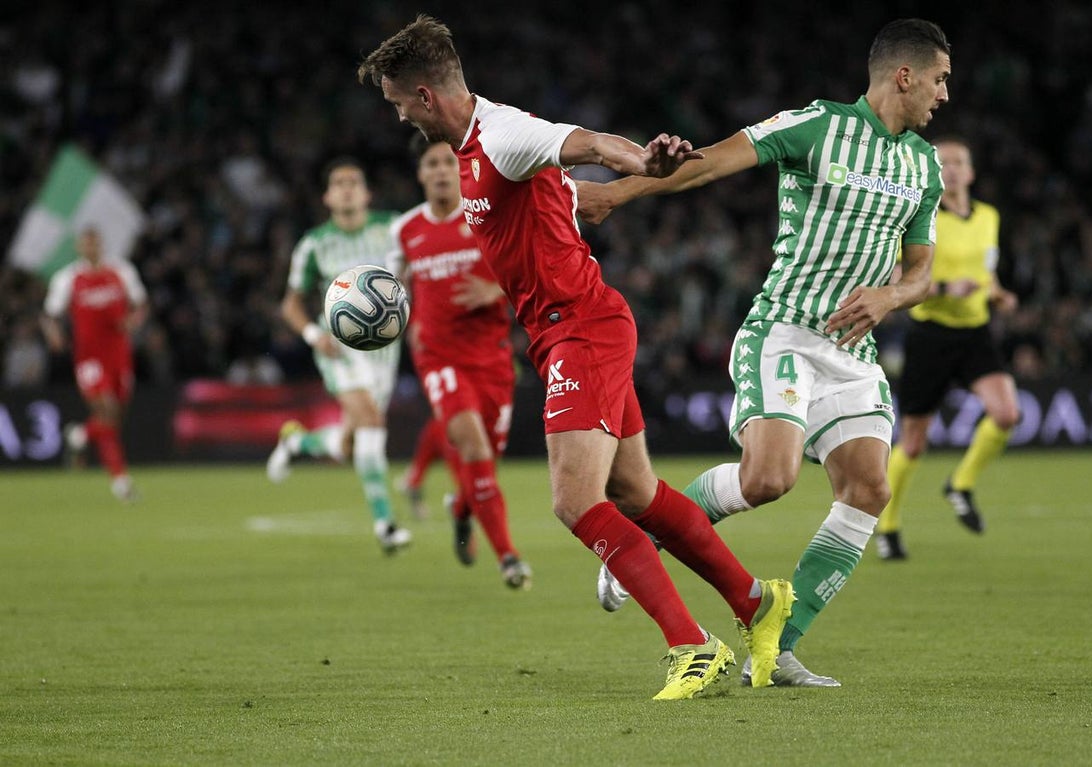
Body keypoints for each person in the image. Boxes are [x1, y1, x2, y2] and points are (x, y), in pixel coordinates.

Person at [358, 14, 794, 700]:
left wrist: (640, 160)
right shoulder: (478, 153)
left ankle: (691, 644)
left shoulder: (502, 134)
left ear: (424, 95)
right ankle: (756, 602)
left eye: (396, 104)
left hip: (581, 329)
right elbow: (581, 197)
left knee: (572, 498)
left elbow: (587, 142)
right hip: (575, 329)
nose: (397, 118)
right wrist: (611, 192)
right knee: (637, 494)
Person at [578, 18, 951, 687]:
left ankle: (776, 648)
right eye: (940, 79)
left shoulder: (923, 165)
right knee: (768, 479)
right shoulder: (817, 126)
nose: (944, 95)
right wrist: (613, 193)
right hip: (784, 331)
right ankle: (646, 537)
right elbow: (711, 162)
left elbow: (922, 271)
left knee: (868, 488)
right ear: (906, 75)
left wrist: (891, 298)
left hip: (854, 349)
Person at [387, 133, 530, 588]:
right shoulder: (406, 230)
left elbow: (526, 268)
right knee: (473, 448)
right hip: (438, 358)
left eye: (448, 162)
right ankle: (509, 558)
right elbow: (392, 292)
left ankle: (461, 509)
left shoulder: (485, 214)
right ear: (421, 174)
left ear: (460, 168)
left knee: (484, 464)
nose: (441, 171)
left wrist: (495, 290)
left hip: (492, 359)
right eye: (431, 164)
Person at [875, 136, 1020, 560]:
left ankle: (960, 484)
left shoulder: (989, 217)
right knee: (914, 443)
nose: (952, 169)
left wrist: (998, 294)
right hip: (931, 335)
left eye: (959, 162)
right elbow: (898, 275)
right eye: (944, 162)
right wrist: (943, 288)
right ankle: (888, 525)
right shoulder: (922, 218)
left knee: (1007, 413)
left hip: (975, 333)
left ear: (971, 172)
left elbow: (985, 271)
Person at [265, 158, 411, 554]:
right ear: (328, 196)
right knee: (371, 419)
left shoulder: (394, 228)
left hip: (384, 350)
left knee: (351, 443)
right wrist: (313, 334)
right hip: (337, 348)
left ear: (367, 194)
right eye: (339, 183)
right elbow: (290, 304)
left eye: (354, 182)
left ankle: (297, 445)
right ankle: (386, 524)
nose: (347, 188)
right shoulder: (314, 243)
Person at [41, 226, 147, 502]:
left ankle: (80, 434)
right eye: (86, 244)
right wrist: (54, 335)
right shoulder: (68, 278)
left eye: (95, 243)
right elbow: (50, 315)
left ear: (101, 245)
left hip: (119, 355)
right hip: (89, 359)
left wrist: (133, 321)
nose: (91, 248)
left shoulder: (121, 272)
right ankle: (121, 482)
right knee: (107, 410)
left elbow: (141, 305)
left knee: (115, 418)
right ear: (79, 248)